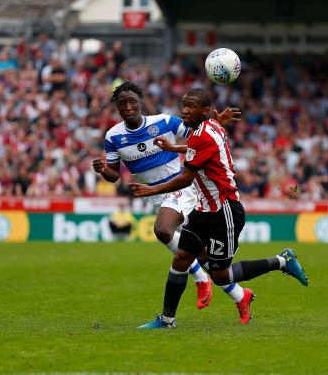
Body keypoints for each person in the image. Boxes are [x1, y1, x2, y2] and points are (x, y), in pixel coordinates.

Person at [130, 88, 309, 329]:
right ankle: (166, 319)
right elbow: (197, 149)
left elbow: (185, 178)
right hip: (204, 210)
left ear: (204, 111)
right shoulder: (209, 127)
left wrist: (150, 190)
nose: (184, 110)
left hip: (223, 211)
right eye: (183, 105)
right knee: (181, 258)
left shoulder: (203, 134)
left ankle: (281, 261)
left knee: (221, 275)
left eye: (191, 106)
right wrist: (174, 149)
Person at [92, 81, 252, 321]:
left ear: (140, 103)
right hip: (156, 195)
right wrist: (104, 170)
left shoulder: (164, 122)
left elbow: (199, 136)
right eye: (122, 103)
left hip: (182, 187)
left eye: (132, 102)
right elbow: (114, 175)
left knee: (162, 230)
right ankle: (241, 295)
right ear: (116, 107)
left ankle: (198, 279)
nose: (128, 107)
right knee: (197, 254)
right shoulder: (113, 136)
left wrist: (217, 123)